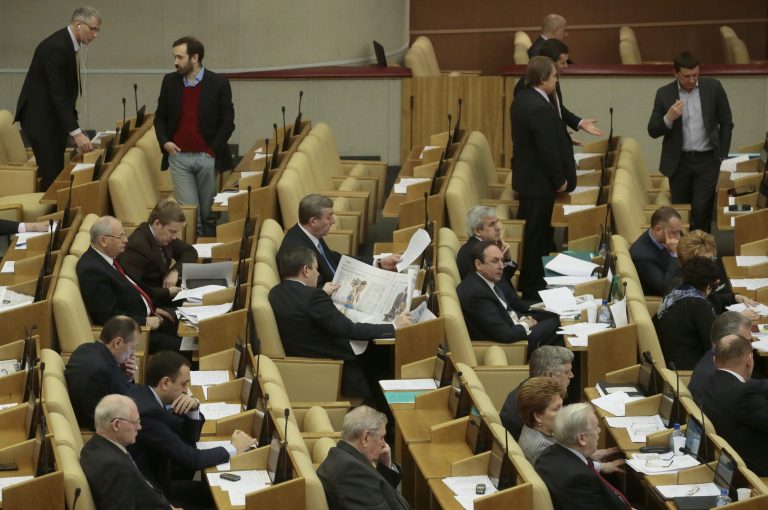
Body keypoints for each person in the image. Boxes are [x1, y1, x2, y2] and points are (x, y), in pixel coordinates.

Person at [269, 246, 410, 398]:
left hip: (302, 355)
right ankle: (386, 404)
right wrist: (394, 327)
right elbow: (350, 329)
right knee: (380, 355)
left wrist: (322, 294)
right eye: (316, 269)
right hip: (331, 362)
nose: (318, 273)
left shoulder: (275, 293)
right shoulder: (313, 298)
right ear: (306, 270)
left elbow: (302, 307)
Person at [127, 351, 253, 506]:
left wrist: (194, 409)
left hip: (160, 485)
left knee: (209, 495)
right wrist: (234, 448)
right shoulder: (148, 414)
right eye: (183, 384)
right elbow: (192, 459)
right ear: (165, 383)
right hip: (152, 499)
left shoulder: (146, 395)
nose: (186, 390)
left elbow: (189, 438)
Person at [154, 36, 234, 237]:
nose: (175, 62)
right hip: (179, 157)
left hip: (207, 157)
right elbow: (160, 117)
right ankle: (193, 257)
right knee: (190, 214)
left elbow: (227, 122)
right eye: (174, 57)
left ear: (195, 58)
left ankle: (209, 254)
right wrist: (166, 143)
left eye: (180, 57)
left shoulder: (218, 83)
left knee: (208, 214)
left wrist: (211, 151)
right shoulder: (170, 81)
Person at [510, 56, 576, 299]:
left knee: (537, 234)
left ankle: (538, 279)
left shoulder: (522, 100)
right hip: (539, 183)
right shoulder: (538, 106)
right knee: (536, 236)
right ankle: (533, 286)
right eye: (554, 76)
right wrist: (559, 180)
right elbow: (546, 148)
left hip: (528, 180)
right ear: (543, 79)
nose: (557, 80)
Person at [14, 6, 100, 190]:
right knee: (53, 179)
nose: (95, 35)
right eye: (92, 29)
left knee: (57, 174)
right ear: (78, 25)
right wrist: (76, 133)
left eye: (97, 30)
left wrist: (74, 128)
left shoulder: (67, 44)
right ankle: (50, 217)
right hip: (41, 121)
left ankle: (56, 216)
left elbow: (66, 95)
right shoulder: (56, 47)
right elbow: (58, 95)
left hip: (52, 119)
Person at [647, 52, 733, 233]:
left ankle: (702, 253)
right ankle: (683, 254)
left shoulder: (713, 88)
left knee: (702, 210)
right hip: (679, 163)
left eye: (696, 75)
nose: (692, 80)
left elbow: (726, 122)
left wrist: (722, 154)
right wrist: (668, 118)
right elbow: (652, 130)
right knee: (681, 213)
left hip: (707, 160)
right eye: (687, 76)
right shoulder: (664, 94)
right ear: (675, 73)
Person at [76, 216, 181, 352]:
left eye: (124, 234)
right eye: (120, 236)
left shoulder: (108, 258)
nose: (126, 240)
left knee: (191, 329)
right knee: (186, 346)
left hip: (148, 315)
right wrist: (144, 321)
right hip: (135, 333)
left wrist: (151, 308)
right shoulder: (91, 270)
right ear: (103, 241)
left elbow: (134, 289)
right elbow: (108, 317)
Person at [456, 241, 561, 354]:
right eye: (495, 261)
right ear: (478, 264)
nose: (501, 266)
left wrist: (523, 319)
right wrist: (526, 324)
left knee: (556, 314)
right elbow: (505, 335)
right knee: (557, 324)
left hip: (515, 324)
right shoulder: (476, 294)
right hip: (513, 345)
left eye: (502, 260)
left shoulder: (485, 280)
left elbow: (507, 310)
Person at [277, 194, 400, 289]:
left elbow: (333, 258)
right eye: (329, 216)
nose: (334, 221)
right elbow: (310, 291)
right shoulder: (295, 250)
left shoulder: (310, 233)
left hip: (341, 283)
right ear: (313, 221)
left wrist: (378, 263)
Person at [80, 395, 176, 510]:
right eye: (135, 422)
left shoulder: (93, 446)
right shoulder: (115, 467)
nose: (139, 427)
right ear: (116, 425)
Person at [535, 403, 632, 510]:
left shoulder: (548, 454)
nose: (599, 431)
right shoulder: (579, 479)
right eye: (596, 428)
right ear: (582, 438)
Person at [518, 377, 624, 471]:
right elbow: (572, 468)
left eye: (562, 405)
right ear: (538, 416)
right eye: (556, 408)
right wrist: (602, 466)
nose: (563, 412)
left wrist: (601, 454)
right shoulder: (544, 450)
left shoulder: (536, 426)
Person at [698, 334, 768, 476]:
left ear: (714, 360)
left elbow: (754, 386)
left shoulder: (705, 382)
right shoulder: (743, 396)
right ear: (749, 360)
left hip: (725, 460)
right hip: (755, 470)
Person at [317, 406, 410, 510]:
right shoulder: (352, 471)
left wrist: (385, 466)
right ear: (365, 438)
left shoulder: (340, 456)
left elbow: (379, 493)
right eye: (382, 437)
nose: (384, 444)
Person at [514, 39, 603, 139]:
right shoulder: (525, 85)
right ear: (550, 62)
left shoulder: (553, 79)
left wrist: (579, 122)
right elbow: (529, 124)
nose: (566, 66)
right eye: (563, 62)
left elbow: (558, 109)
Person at [65, 316, 138, 429]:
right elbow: (128, 402)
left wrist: (126, 376)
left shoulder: (84, 348)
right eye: (132, 348)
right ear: (118, 342)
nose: (133, 354)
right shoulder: (101, 371)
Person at [120, 200, 198, 306]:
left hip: (165, 295)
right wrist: (168, 292)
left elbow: (190, 252)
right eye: (172, 231)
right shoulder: (137, 247)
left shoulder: (164, 237)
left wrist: (175, 271)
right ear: (157, 224)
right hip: (151, 303)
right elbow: (134, 290)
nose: (175, 237)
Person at [669, 229, 758, 314]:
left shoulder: (697, 278)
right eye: (707, 260)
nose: (712, 264)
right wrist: (739, 316)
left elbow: (712, 298)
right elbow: (708, 321)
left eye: (713, 258)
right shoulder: (685, 290)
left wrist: (734, 298)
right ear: (692, 263)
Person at [653, 257, 719, 370]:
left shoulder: (674, 295)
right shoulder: (698, 304)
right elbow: (713, 347)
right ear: (708, 287)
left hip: (670, 360)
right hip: (688, 371)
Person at [499, 345, 574, 439]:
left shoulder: (529, 390)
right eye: (567, 372)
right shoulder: (532, 405)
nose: (572, 375)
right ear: (549, 375)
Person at [688, 311, 753, 399]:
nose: (751, 347)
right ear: (728, 341)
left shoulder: (711, 358)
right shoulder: (721, 380)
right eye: (746, 342)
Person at [629, 206, 682, 296]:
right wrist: (674, 254)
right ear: (658, 230)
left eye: (679, 232)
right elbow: (664, 288)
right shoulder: (642, 255)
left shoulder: (670, 235)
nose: (678, 237)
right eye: (674, 232)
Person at [456, 205, 517, 282]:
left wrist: (507, 258)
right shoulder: (471, 253)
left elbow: (503, 279)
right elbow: (497, 285)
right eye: (492, 224)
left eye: (497, 222)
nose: (498, 227)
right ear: (478, 231)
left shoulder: (483, 247)